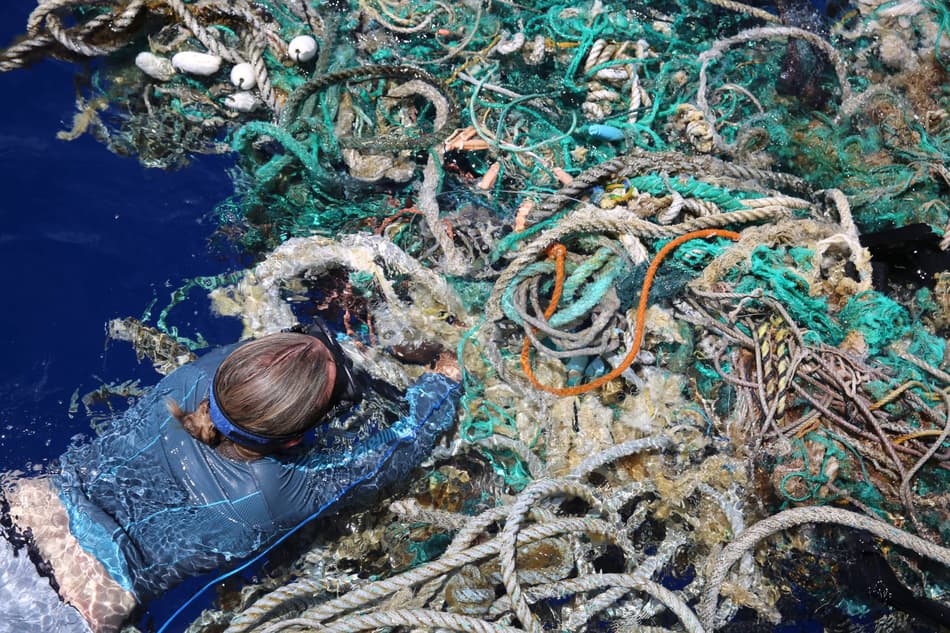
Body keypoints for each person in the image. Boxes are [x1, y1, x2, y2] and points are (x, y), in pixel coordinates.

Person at [0, 321, 461, 633]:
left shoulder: (194, 377)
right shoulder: (276, 494)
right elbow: (398, 450)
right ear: (288, 442)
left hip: (24, 516)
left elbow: (269, 363)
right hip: (79, 606)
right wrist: (446, 378)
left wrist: (311, 352)